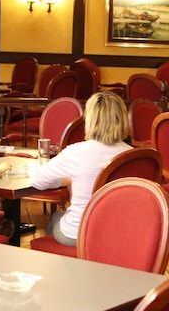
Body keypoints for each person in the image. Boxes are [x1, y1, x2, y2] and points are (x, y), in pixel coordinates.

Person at [28, 91, 132, 246]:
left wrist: (32, 167)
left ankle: (55, 258)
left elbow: (37, 180)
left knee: (57, 217)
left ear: (89, 119)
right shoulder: (134, 155)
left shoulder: (76, 152)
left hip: (83, 232)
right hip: (121, 233)